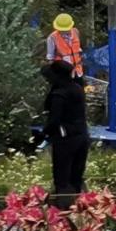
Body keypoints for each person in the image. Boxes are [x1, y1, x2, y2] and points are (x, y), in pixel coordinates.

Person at [38, 60, 90, 205]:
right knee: (77, 176)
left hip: (65, 139)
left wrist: (43, 134)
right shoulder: (78, 89)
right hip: (82, 136)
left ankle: (64, 208)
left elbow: (54, 120)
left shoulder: (59, 94)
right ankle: (78, 207)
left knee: (62, 176)